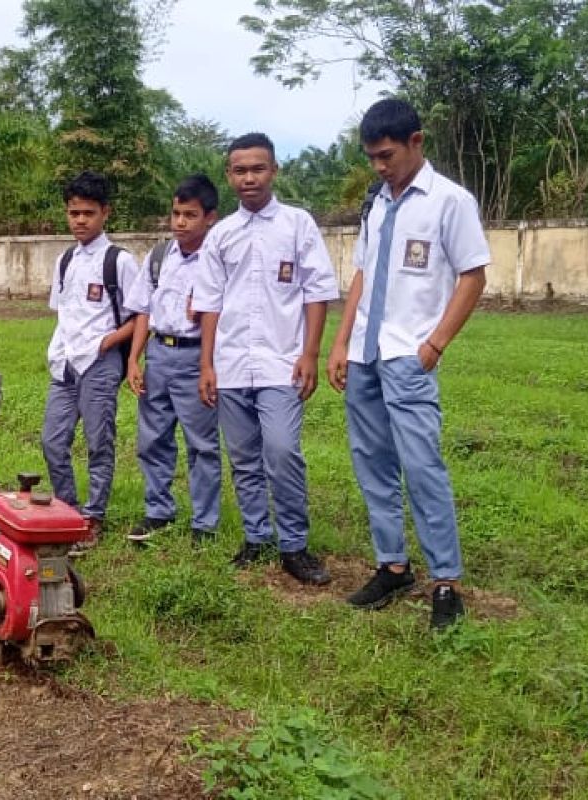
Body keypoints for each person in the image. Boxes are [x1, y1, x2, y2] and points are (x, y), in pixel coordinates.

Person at [327, 98, 489, 630]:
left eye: (387, 155)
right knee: (372, 464)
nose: (379, 165)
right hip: (366, 357)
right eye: (372, 157)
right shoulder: (376, 203)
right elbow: (363, 277)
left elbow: (472, 276)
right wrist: (340, 342)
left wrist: (435, 345)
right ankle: (393, 565)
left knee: (421, 467)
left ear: (417, 142)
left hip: (409, 356)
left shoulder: (449, 202)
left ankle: (445, 580)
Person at [191, 133, 338, 586]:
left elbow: (317, 292)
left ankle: (294, 545)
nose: (249, 177)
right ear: (229, 175)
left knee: (281, 450)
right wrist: (207, 364)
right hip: (232, 363)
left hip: (282, 362)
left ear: (274, 170)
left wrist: (310, 353)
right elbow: (210, 302)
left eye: (258, 168)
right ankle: (257, 538)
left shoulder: (297, 225)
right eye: (240, 170)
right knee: (244, 458)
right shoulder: (221, 235)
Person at [41, 171, 140, 554]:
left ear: (105, 214)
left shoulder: (119, 261)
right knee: (52, 440)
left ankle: (93, 517)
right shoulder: (65, 260)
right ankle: (67, 508)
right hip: (65, 363)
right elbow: (63, 312)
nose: (79, 220)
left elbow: (138, 317)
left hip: (100, 363)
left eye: (88, 213)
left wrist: (106, 345)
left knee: (99, 441)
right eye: (73, 212)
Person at [124, 174, 222, 546]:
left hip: (196, 355)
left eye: (190, 215)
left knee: (202, 444)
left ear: (209, 217)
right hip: (159, 355)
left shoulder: (217, 259)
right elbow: (143, 311)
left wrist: (207, 363)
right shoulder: (160, 256)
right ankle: (158, 511)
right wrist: (135, 358)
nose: (180, 222)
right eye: (176, 213)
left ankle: (204, 523)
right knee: (153, 438)